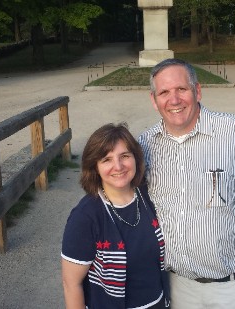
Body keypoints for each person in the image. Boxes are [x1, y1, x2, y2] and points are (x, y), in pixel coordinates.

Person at [138, 58, 235, 309]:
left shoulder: (234, 132)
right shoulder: (145, 145)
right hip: (179, 289)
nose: (174, 100)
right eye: (164, 92)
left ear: (197, 91)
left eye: (182, 89)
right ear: (154, 100)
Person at [61, 123, 170, 309]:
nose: (118, 166)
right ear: (94, 167)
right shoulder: (85, 217)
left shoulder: (149, 197)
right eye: (106, 160)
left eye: (124, 156)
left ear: (136, 158)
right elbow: (71, 284)